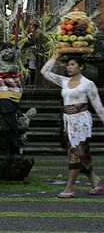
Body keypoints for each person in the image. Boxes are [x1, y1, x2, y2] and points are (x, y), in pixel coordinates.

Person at [41, 53, 104, 198]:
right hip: (67, 120)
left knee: (75, 153)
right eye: (68, 64)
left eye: (73, 64)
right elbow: (44, 72)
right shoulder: (64, 81)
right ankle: (96, 181)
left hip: (81, 120)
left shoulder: (87, 84)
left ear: (80, 67)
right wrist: (56, 56)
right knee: (80, 154)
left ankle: (69, 188)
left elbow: (98, 105)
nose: (69, 67)